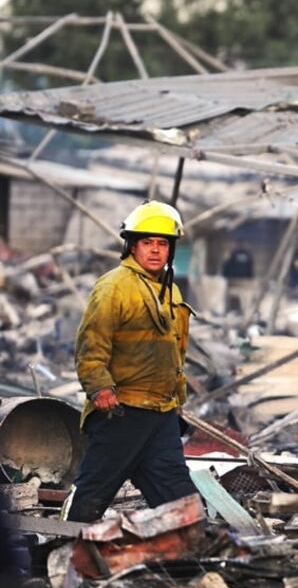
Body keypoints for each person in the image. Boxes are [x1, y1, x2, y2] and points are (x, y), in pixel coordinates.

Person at [62, 201, 198, 523]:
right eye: (147, 243)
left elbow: (175, 351)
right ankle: (64, 550)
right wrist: (99, 389)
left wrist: (177, 400)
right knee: (94, 493)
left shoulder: (170, 291)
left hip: (161, 413)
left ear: (170, 249)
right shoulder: (114, 286)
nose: (155, 250)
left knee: (179, 498)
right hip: (121, 410)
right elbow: (91, 343)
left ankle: (188, 556)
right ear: (132, 246)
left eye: (162, 243)